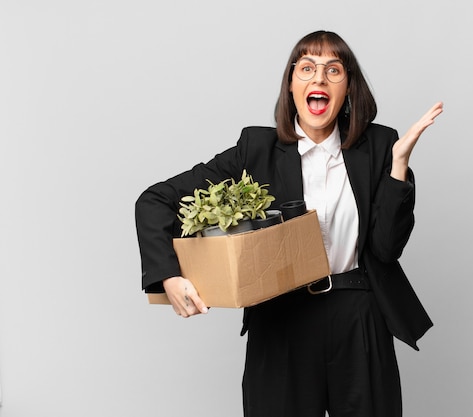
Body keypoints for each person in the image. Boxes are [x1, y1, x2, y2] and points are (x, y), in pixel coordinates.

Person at [135, 30, 443, 417]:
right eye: (307, 68)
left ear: (348, 88)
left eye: (333, 70)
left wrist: (399, 167)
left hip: (358, 317)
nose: (319, 79)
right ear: (291, 86)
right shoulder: (256, 150)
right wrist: (170, 275)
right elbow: (155, 200)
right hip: (281, 322)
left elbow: (385, 248)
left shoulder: (381, 146)